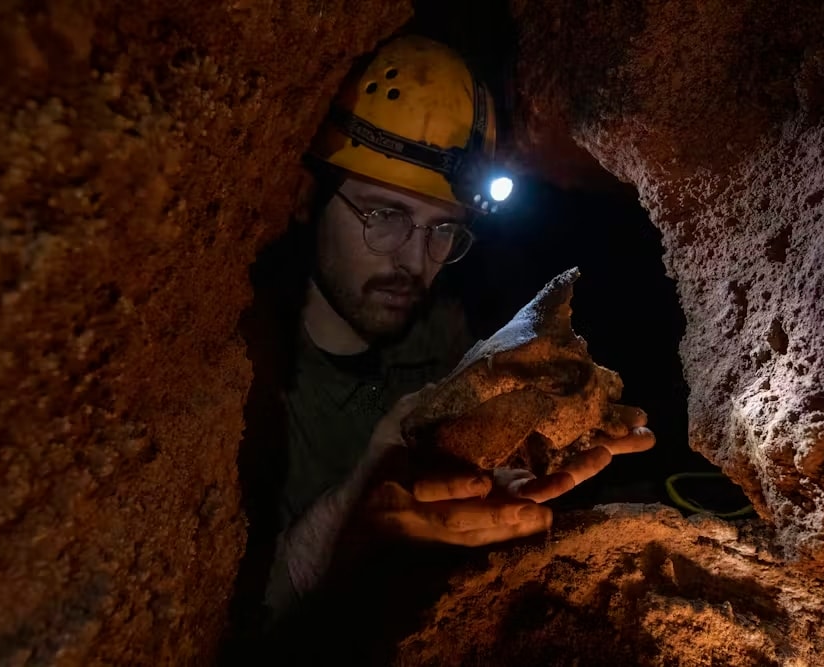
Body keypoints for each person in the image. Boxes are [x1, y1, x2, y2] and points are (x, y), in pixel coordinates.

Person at [256, 34, 655, 627]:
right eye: (385, 215)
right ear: (306, 197)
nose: (416, 262)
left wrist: (516, 443)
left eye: (443, 229)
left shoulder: (440, 335)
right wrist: (340, 534)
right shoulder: (241, 379)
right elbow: (210, 620)